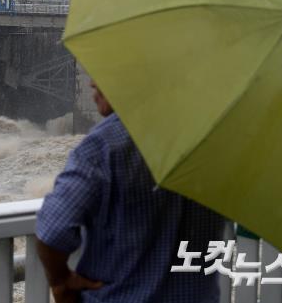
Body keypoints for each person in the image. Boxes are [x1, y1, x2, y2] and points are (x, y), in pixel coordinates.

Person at [36, 81, 225, 303]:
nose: (92, 82)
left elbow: (53, 231)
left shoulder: (103, 145)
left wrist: (61, 282)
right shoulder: (213, 138)